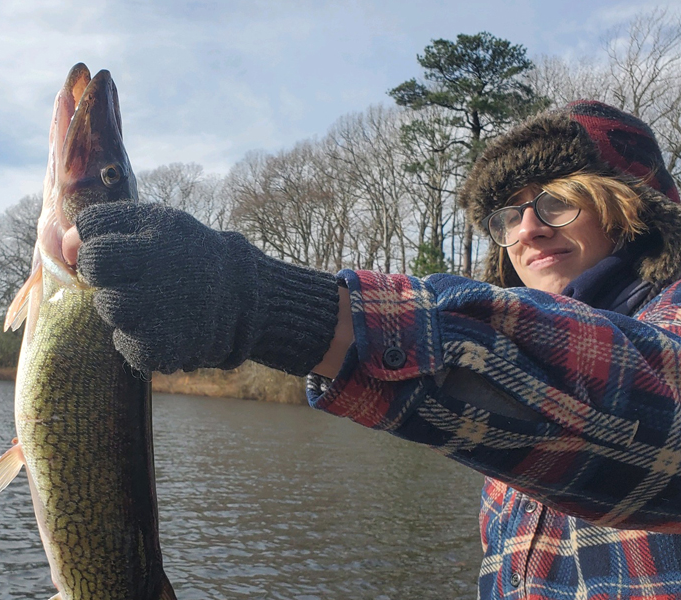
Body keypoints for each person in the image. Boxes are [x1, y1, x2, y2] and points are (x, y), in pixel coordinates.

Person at [61, 100, 681, 599]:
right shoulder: (510, 393)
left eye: (557, 201)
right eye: (507, 215)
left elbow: (653, 408)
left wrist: (272, 305)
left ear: (633, 206)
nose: (528, 229)